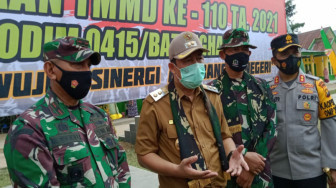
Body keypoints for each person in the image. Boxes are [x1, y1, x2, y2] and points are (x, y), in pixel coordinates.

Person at [4, 37, 131, 187]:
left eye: (88, 65)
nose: (86, 73)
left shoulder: (99, 116)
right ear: (50, 70)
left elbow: (121, 167)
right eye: (77, 65)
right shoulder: (28, 130)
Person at [135, 31, 249, 188]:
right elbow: (144, 154)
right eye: (188, 60)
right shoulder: (156, 104)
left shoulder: (212, 97)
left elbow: (224, 135)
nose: (196, 65)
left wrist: (231, 153)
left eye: (199, 58)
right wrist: (177, 170)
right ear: (172, 68)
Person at [211, 28, 277, 188]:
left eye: (244, 49)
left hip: (261, 174)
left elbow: (272, 127)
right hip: (228, 174)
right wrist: (244, 158)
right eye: (234, 49)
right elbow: (211, 135)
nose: (240, 53)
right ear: (223, 55)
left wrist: (253, 167)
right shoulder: (211, 92)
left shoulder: (262, 86)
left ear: (249, 54)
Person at [269, 33, 336, 188]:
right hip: (277, 172)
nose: (291, 57)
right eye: (285, 53)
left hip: (311, 172)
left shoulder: (317, 86)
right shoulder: (267, 89)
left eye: (295, 52)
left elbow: (330, 128)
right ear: (274, 60)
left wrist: (333, 166)